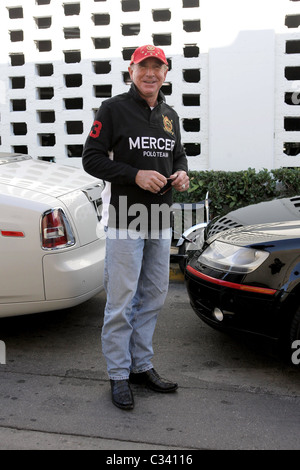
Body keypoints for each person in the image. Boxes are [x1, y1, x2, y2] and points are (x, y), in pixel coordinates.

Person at [82, 44, 189, 410]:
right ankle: (118, 374)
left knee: (155, 296)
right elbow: (91, 158)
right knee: (121, 300)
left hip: (159, 218)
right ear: (131, 71)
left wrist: (183, 173)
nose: (150, 74)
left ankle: (141, 366)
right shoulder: (112, 109)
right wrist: (134, 175)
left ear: (165, 72)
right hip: (126, 216)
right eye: (144, 67)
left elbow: (178, 153)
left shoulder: (170, 114)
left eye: (157, 68)